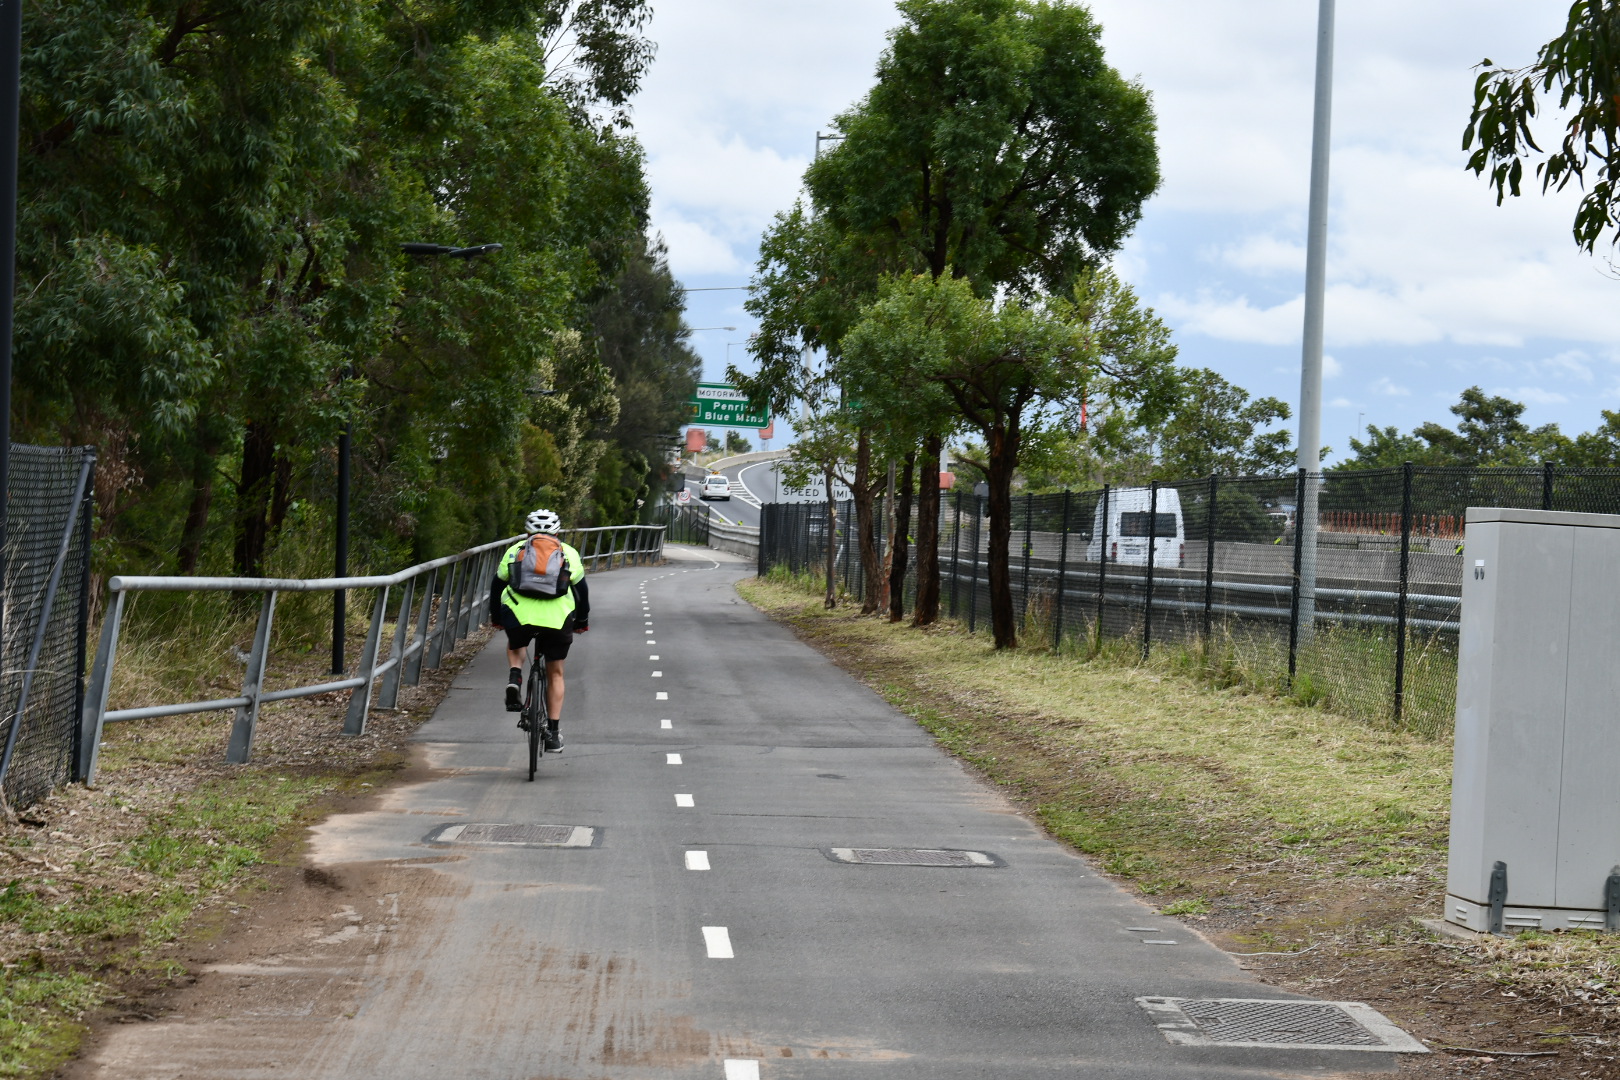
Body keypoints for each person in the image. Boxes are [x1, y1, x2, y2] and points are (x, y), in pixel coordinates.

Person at [488, 508, 589, 752]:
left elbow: (496, 585)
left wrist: (497, 617)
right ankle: (553, 734)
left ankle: (515, 676)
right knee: (555, 673)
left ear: (527, 530)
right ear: (557, 530)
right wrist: (581, 620)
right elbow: (582, 591)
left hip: (520, 615)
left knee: (516, 642)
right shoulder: (568, 552)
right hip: (557, 619)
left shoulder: (515, 550)